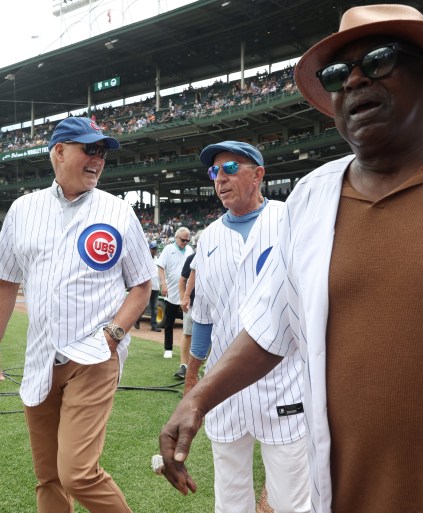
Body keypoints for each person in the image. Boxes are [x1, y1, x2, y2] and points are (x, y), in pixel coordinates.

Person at [159, 5, 423, 513]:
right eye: (338, 73)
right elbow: (272, 324)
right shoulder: (311, 199)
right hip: (354, 492)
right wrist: (197, 397)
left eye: (378, 61)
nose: (355, 79)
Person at [0, 116, 156, 513]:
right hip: (41, 357)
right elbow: (5, 283)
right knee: (49, 477)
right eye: (89, 149)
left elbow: (142, 285)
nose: (98, 159)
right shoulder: (23, 209)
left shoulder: (118, 211)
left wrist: (113, 335)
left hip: (93, 356)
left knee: (77, 472)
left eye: (103, 152)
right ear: (59, 151)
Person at [181, 141, 310, 513]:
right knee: (230, 498)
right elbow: (203, 315)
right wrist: (194, 378)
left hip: (283, 378)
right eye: (214, 172)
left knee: (292, 501)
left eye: (230, 168)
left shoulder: (291, 219)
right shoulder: (208, 239)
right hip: (224, 384)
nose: (220, 178)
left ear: (258, 174)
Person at [157, 226, 193, 358]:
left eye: (187, 240)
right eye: (183, 240)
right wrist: (163, 284)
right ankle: (168, 348)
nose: (185, 243)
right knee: (169, 321)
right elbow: (160, 267)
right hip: (172, 290)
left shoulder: (189, 250)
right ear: (176, 238)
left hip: (187, 291)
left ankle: (190, 351)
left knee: (189, 322)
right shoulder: (168, 249)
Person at [174, 230, 201, 379]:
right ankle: (183, 366)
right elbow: (182, 280)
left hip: (210, 304)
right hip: (192, 303)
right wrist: (183, 298)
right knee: (187, 334)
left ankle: (205, 367)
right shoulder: (192, 258)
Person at [134, 241, 162, 332]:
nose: (154, 250)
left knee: (154, 307)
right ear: (149, 249)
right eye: (153, 249)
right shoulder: (145, 260)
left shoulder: (158, 259)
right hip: (147, 286)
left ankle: (154, 326)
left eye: (155, 249)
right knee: (144, 305)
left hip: (156, 287)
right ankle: (137, 319)